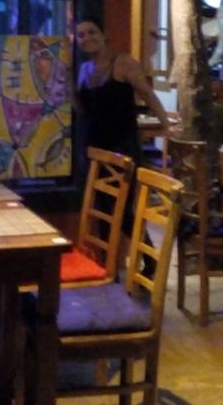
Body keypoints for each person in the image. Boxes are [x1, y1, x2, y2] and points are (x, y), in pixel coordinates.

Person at [73, 16, 170, 275]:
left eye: (92, 32)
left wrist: (166, 125)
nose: (87, 38)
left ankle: (150, 261)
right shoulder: (83, 69)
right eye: (81, 35)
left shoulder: (123, 62)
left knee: (123, 209)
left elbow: (147, 94)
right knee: (103, 208)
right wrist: (68, 92)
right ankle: (110, 268)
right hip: (93, 147)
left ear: (104, 35)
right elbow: (83, 111)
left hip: (122, 145)